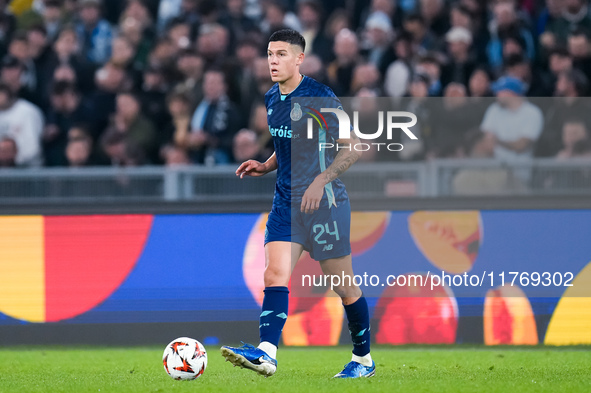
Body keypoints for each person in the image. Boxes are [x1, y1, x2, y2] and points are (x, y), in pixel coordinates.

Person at [220, 29, 374, 379]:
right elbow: (288, 144)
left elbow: (353, 146)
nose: (273, 61)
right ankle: (267, 354)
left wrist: (321, 181)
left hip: (326, 204)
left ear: (299, 59)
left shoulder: (320, 96)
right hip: (285, 202)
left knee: (344, 287)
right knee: (274, 274)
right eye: (270, 54)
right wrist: (266, 164)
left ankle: (363, 360)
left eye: (282, 54)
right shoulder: (272, 97)